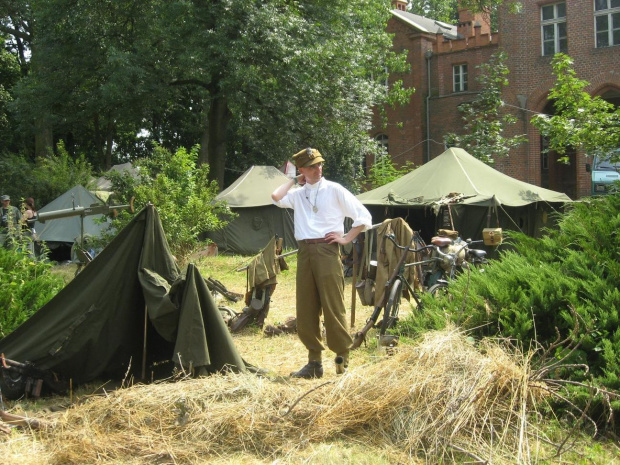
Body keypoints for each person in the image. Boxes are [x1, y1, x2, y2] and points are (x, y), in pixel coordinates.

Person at [272, 147, 372, 378]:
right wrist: (295, 180)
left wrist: (346, 238)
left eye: (319, 164)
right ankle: (314, 362)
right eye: (312, 166)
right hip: (304, 252)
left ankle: (341, 356)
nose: (318, 169)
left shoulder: (334, 189)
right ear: (302, 170)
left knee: (332, 305)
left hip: (327, 251)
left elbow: (363, 216)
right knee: (306, 307)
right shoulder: (298, 193)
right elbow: (276, 197)